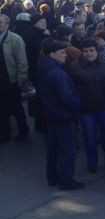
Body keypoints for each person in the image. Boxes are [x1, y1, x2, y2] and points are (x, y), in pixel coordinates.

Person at [68, 38, 105, 173]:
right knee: (89, 136)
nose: (89, 54)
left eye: (91, 50)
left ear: (97, 51)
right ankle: (92, 163)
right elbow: (70, 87)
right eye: (85, 51)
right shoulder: (74, 67)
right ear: (81, 52)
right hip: (86, 108)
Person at [37, 41, 83, 190]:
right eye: (62, 53)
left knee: (53, 149)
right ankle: (66, 181)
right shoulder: (58, 73)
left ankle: (52, 178)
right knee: (67, 151)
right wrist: (77, 108)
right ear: (52, 54)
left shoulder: (42, 68)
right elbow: (67, 98)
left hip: (51, 115)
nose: (65, 55)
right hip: (64, 116)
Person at [0, 14, 29, 143]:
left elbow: (22, 61)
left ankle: (23, 131)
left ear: (7, 25)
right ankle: (5, 134)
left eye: (0, 23)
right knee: (1, 108)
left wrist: (21, 78)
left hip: (11, 80)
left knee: (16, 107)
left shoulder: (15, 39)